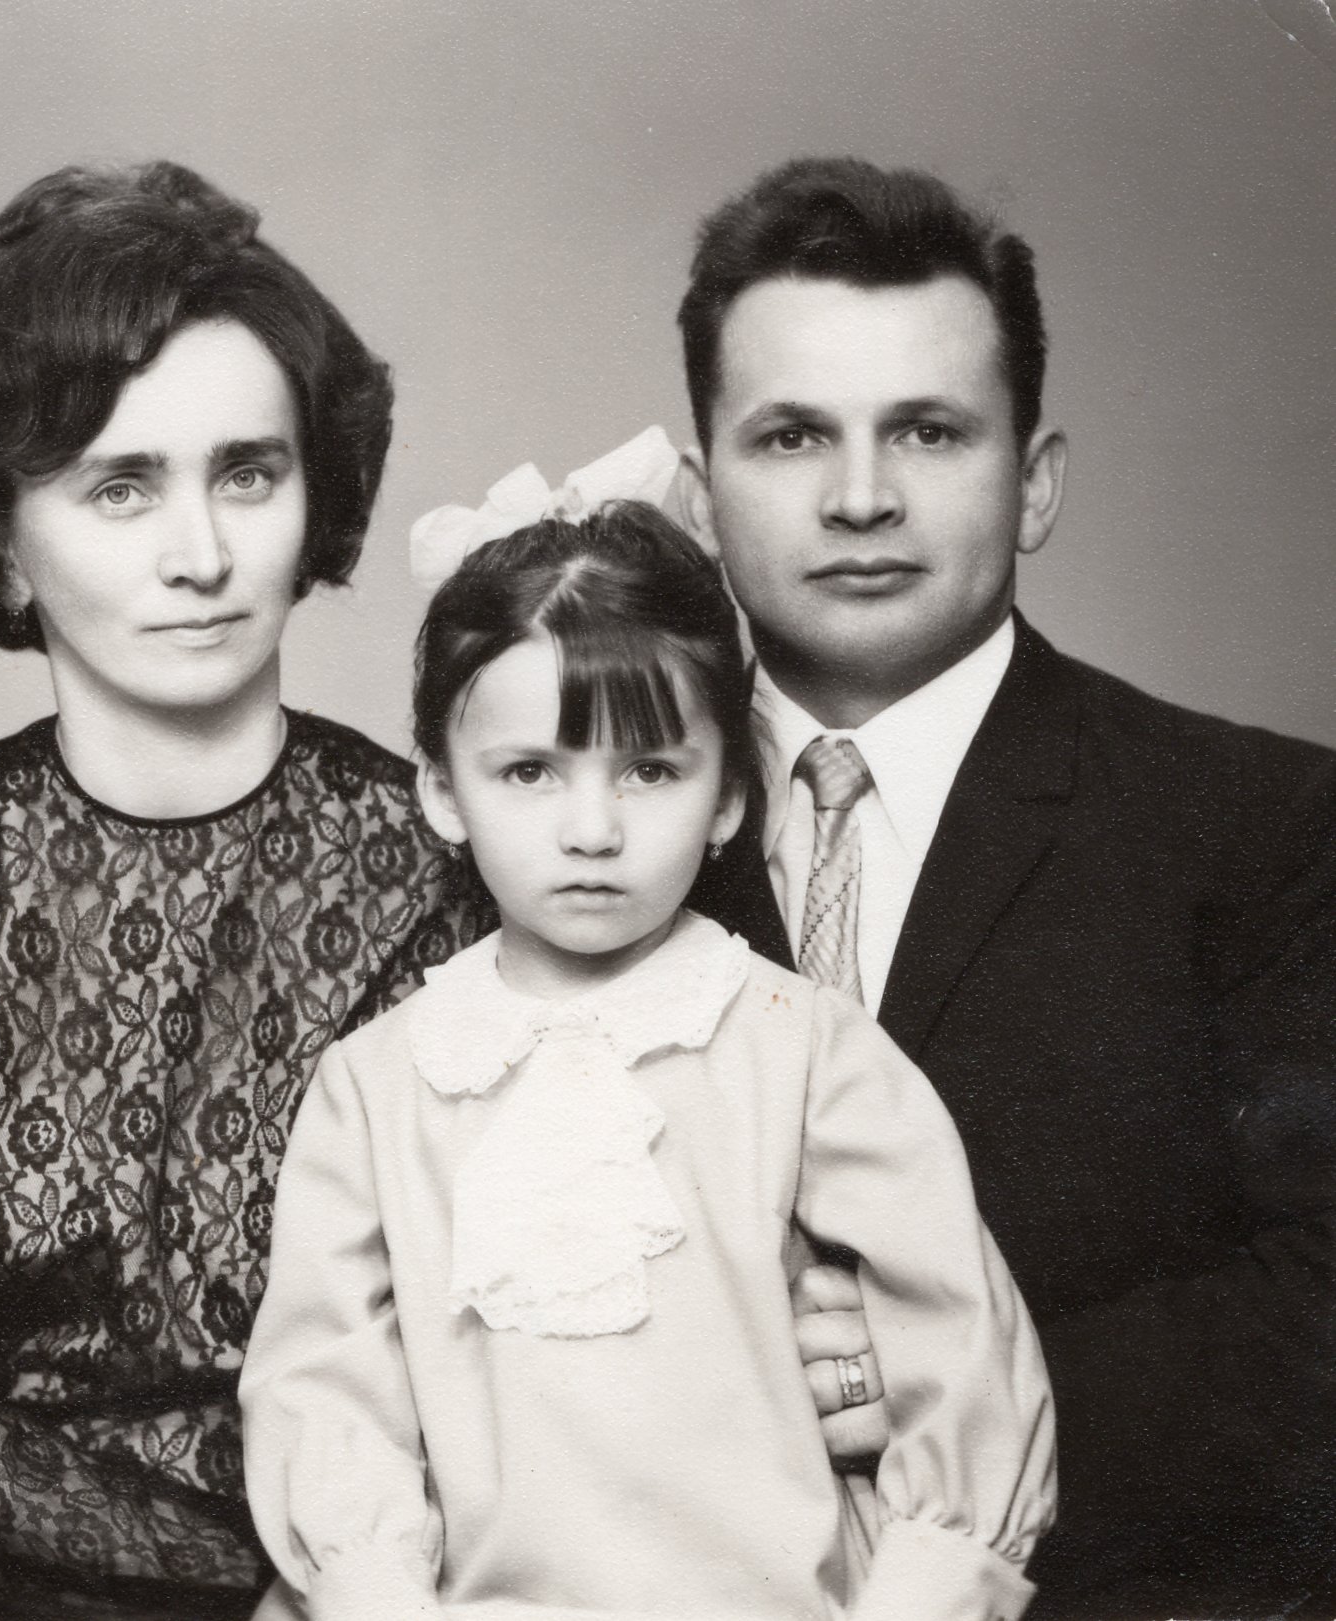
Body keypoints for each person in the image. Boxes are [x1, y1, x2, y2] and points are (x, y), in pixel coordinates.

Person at [0, 160, 886, 1621]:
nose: (201, 555)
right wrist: (282, 1584)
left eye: (246, 474)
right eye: (120, 487)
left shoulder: (487, 859)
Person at [676, 157, 1336, 1618]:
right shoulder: (579, 841)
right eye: (790, 435)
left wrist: (942, 1389)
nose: (860, 498)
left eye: (927, 432)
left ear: (1032, 484)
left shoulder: (1267, 829)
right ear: (698, 490)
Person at [241, 488, 1054, 1621]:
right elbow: (327, 1387)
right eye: (529, 771)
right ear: (440, 788)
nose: (591, 830)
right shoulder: (377, 1084)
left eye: (649, 770)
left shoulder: (805, 1047)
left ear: (727, 796)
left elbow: (958, 1339)